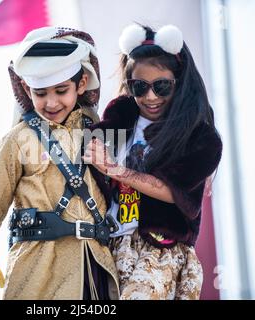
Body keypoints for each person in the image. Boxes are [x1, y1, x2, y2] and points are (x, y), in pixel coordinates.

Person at [0, 26, 119, 300]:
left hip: (96, 272)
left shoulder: (99, 133)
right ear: (27, 90)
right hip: (38, 274)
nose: (51, 102)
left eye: (61, 90)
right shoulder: (17, 139)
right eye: (40, 93)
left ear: (82, 83)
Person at [83, 24, 223, 300]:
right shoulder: (118, 119)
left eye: (161, 86)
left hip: (160, 249)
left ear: (179, 82)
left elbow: (171, 190)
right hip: (107, 245)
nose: (151, 97)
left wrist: (116, 170)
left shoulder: (201, 137)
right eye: (139, 87)